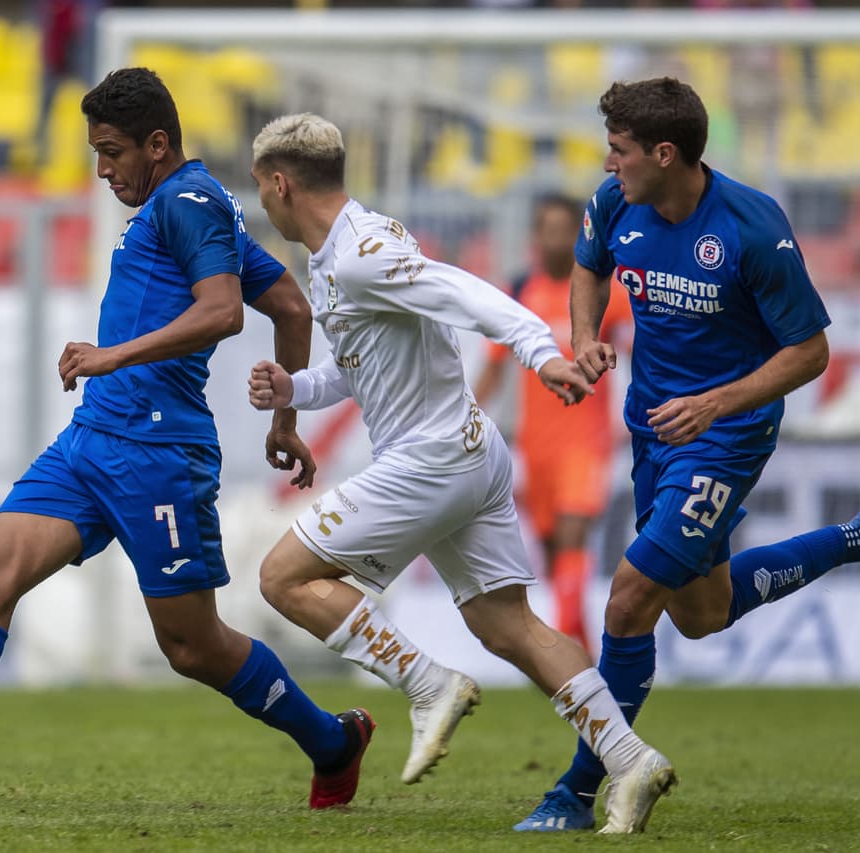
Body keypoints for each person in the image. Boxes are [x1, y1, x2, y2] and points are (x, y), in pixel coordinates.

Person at [0, 68, 375, 811]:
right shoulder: (182, 204)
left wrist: (113, 355)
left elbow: (226, 312)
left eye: (112, 153)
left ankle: (333, 743)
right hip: (91, 442)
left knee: (192, 645)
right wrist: (284, 423)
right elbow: (291, 310)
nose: (103, 170)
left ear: (158, 143)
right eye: (96, 154)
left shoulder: (195, 201)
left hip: (158, 456)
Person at [518, 77, 860, 833]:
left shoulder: (752, 228)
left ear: (665, 153)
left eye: (620, 152)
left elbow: (809, 351)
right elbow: (587, 266)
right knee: (702, 614)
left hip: (726, 435)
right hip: (655, 430)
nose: (609, 165)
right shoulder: (617, 202)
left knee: (628, 599)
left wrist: (715, 403)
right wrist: (584, 337)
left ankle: (578, 790)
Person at [246, 112, 677, 834]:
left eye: (262, 188)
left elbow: (470, 295)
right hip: (469, 452)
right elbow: (363, 371)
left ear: (281, 184)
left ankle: (427, 683)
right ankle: (630, 757)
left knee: (281, 577)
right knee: (505, 622)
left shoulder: (361, 252)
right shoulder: (341, 252)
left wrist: (542, 355)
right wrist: (293, 391)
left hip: (431, 457)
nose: (263, 201)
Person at [473, 194, 632, 656]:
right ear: (536, 238)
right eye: (549, 229)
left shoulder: (607, 293)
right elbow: (495, 366)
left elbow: (643, 346)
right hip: (536, 447)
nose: (558, 239)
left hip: (587, 442)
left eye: (567, 229)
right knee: (550, 548)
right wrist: (465, 411)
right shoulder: (522, 294)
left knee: (572, 533)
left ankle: (561, 641)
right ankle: (577, 652)